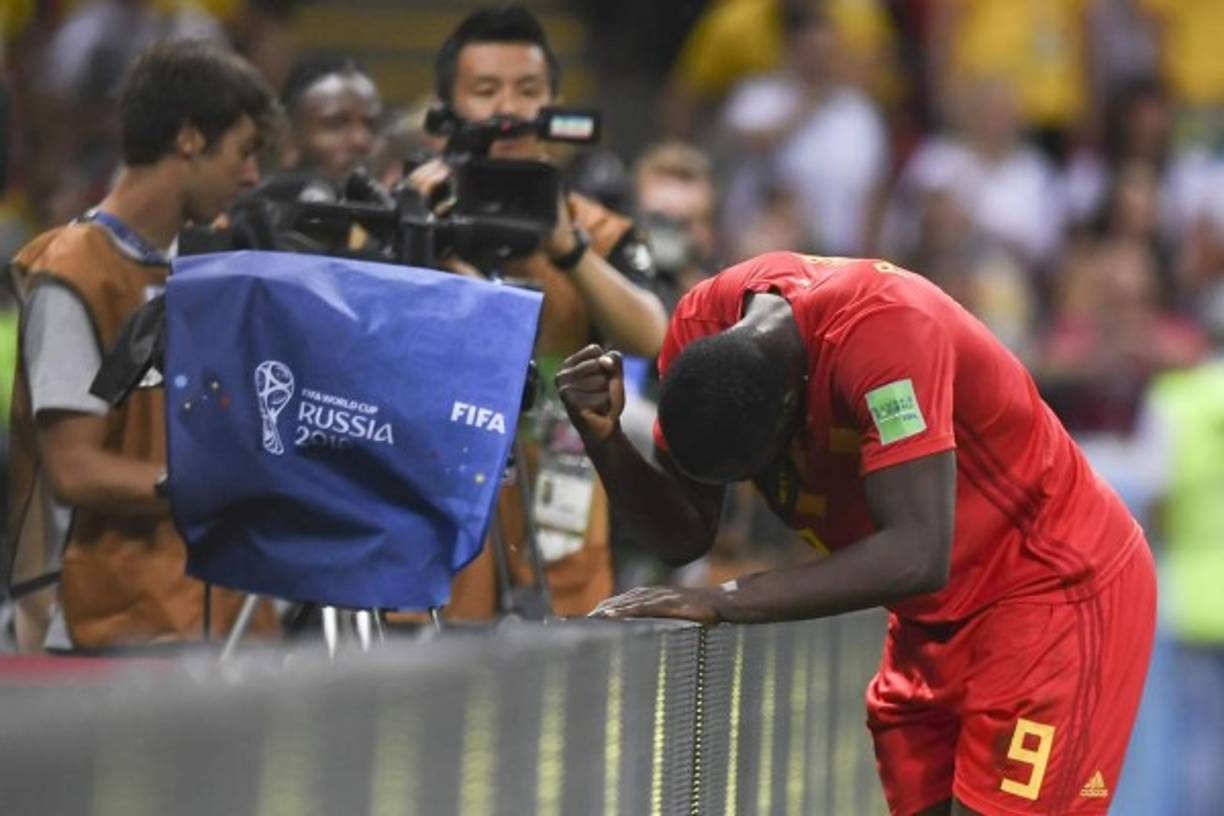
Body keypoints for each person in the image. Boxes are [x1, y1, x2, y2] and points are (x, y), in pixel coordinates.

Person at [557, 251, 1156, 814]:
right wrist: (607, 442)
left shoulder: (886, 331)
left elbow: (917, 552)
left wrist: (726, 599)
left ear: (797, 403)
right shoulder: (699, 325)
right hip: (934, 619)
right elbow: (684, 536)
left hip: (1052, 588)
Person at [2, 40, 279, 653]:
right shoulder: (75, 272)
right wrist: (220, 486)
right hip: (105, 628)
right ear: (188, 139)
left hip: (216, 620)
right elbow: (75, 469)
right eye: (244, 151)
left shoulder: (207, 268)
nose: (254, 176)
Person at [406, 5, 668, 619]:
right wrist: (416, 241)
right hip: (437, 540)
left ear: (555, 107)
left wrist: (568, 249)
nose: (510, 110)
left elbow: (652, 335)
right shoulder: (414, 218)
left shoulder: (598, 230)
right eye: (486, 90)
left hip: (561, 543)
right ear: (447, 111)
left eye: (529, 91)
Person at [279, 55, 382, 189]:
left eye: (371, 127)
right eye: (337, 124)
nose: (360, 140)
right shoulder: (254, 206)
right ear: (289, 136)